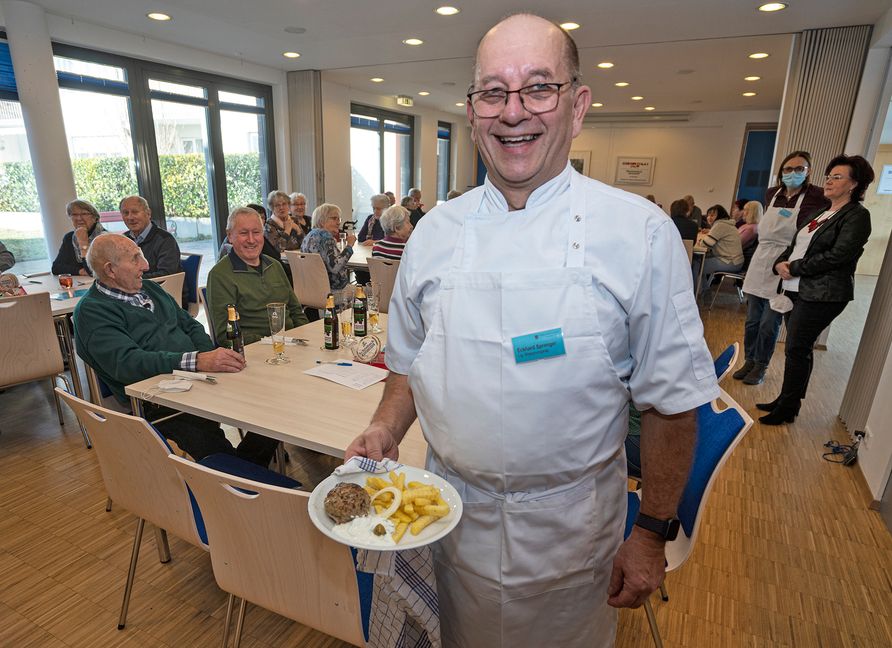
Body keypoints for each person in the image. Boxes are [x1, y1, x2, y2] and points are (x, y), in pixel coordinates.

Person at [344, 14, 718, 647]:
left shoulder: (641, 235)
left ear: (576, 106)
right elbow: (407, 364)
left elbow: (672, 404)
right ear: (473, 112)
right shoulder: (433, 232)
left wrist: (651, 533)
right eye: (493, 91)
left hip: (572, 535)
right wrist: (384, 427)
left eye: (537, 88)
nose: (512, 112)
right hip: (450, 516)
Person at [73, 234, 278, 466]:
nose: (146, 265)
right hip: (158, 400)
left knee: (274, 406)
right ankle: (241, 483)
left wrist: (207, 358)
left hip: (198, 380)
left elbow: (190, 325)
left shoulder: (150, 289)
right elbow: (128, 363)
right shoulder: (92, 311)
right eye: (135, 259)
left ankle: (244, 474)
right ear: (110, 270)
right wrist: (197, 361)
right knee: (216, 451)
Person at [758, 155, 874, 425]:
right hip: (797, 287)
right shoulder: (821, 213)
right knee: (797, 349)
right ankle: (788, 400)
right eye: (829, 176)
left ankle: (787, 407)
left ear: (854, 184)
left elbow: (838, 256)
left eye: (837, 177)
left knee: (797, 348)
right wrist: (780, 264)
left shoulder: (857, 216)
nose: (829, 181)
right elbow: (795, 244)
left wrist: (795, 267)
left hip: (824, 293)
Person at [735, 151, 831, 385]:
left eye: (800, 169)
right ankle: (749, 359)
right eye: (788, 169)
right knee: (752, 320)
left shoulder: (816, 196)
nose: (793, 174)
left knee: (770, 322)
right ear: (781, 172)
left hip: (785, 261)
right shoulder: (772, 193)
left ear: (808, 172)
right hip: (761, 260)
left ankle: (761, 365)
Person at [207, 208, 308, 345]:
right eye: (243, 233)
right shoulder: (220, 275)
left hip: (291, 344)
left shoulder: (274, 265)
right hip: (256, 350)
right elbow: (225, 335)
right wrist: (272, 341)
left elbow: (296, 312)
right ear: (230, 236)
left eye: (256, 232)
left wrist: (303, 337)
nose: (251, 240)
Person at [300, 203, 356, 291]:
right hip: (331, 292)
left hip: (311, 290)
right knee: (368, 291)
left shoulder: (308, 236)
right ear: (322, 220)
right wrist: (349, 245)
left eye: (339, 219)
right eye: (334, 218)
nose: (338, 222)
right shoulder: (325, 236)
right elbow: (335, 267)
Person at [692, 204, 744, 294]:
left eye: (712, 215)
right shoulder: (725, 224)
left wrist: (701, 241)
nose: (709, 217)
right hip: (735, 260)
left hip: (730, 262)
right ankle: (703, 290)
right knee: (699, 260)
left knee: (696, 264)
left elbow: (706, 244)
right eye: (708, 215)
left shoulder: (720, 225)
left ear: (720, 215)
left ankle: (694, 292)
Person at [52, 200, 106, 276]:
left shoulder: (105, 237)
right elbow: (56, 268)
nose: (79, 218)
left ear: (95, 217)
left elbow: (93, 271)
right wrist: (79, 271)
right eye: (74, 214)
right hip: (78, 285)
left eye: (84, 214)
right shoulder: (69, 237)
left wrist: (83, 243)